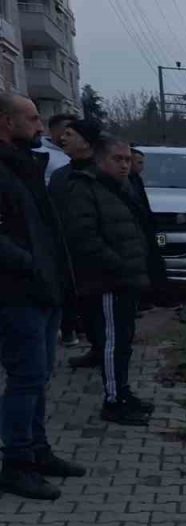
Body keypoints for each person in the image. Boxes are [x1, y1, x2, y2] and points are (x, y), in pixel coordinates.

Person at [0, 93, 86, 500]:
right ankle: (15, 464)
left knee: (39, 376)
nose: (41, 127)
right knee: (26, 377)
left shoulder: (27, 165)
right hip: (16, 291)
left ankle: (37, 451)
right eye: (32, 119)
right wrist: (29, 262)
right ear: (6, 122)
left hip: (45, 288)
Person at [63, 135, 154, 426]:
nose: (125, 165)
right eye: (118, 159)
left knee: (124, 341)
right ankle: (114, 400)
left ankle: (123, 392)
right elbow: (85, 238)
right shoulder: (84, 188)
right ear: (101, 160)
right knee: (113, 342)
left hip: (125, 280)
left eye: (128, 159)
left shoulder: (120, 188)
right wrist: (120, 266)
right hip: (107, 282)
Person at [49, 119, 103, 368]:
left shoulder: (103, 173)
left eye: (69, 134)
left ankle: (107, 352)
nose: (63, 138)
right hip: (68, 254)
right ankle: (95, 347)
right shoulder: (61, 176)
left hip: (98, 254)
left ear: (85, 141)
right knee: (83, 305)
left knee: (101, 307)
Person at [129, 145, 168, 309]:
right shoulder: (125, 182)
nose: (141, 167)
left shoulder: (136, 180)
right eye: (138, 162)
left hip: (148, 228)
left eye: (143, 163)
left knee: (154, 262)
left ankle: (157, 296)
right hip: (136, 230)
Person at [34, 112, 76, 184]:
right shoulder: (38, 153)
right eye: (65, 131)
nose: (68, 134)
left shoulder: (76, 152)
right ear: (52, 131)